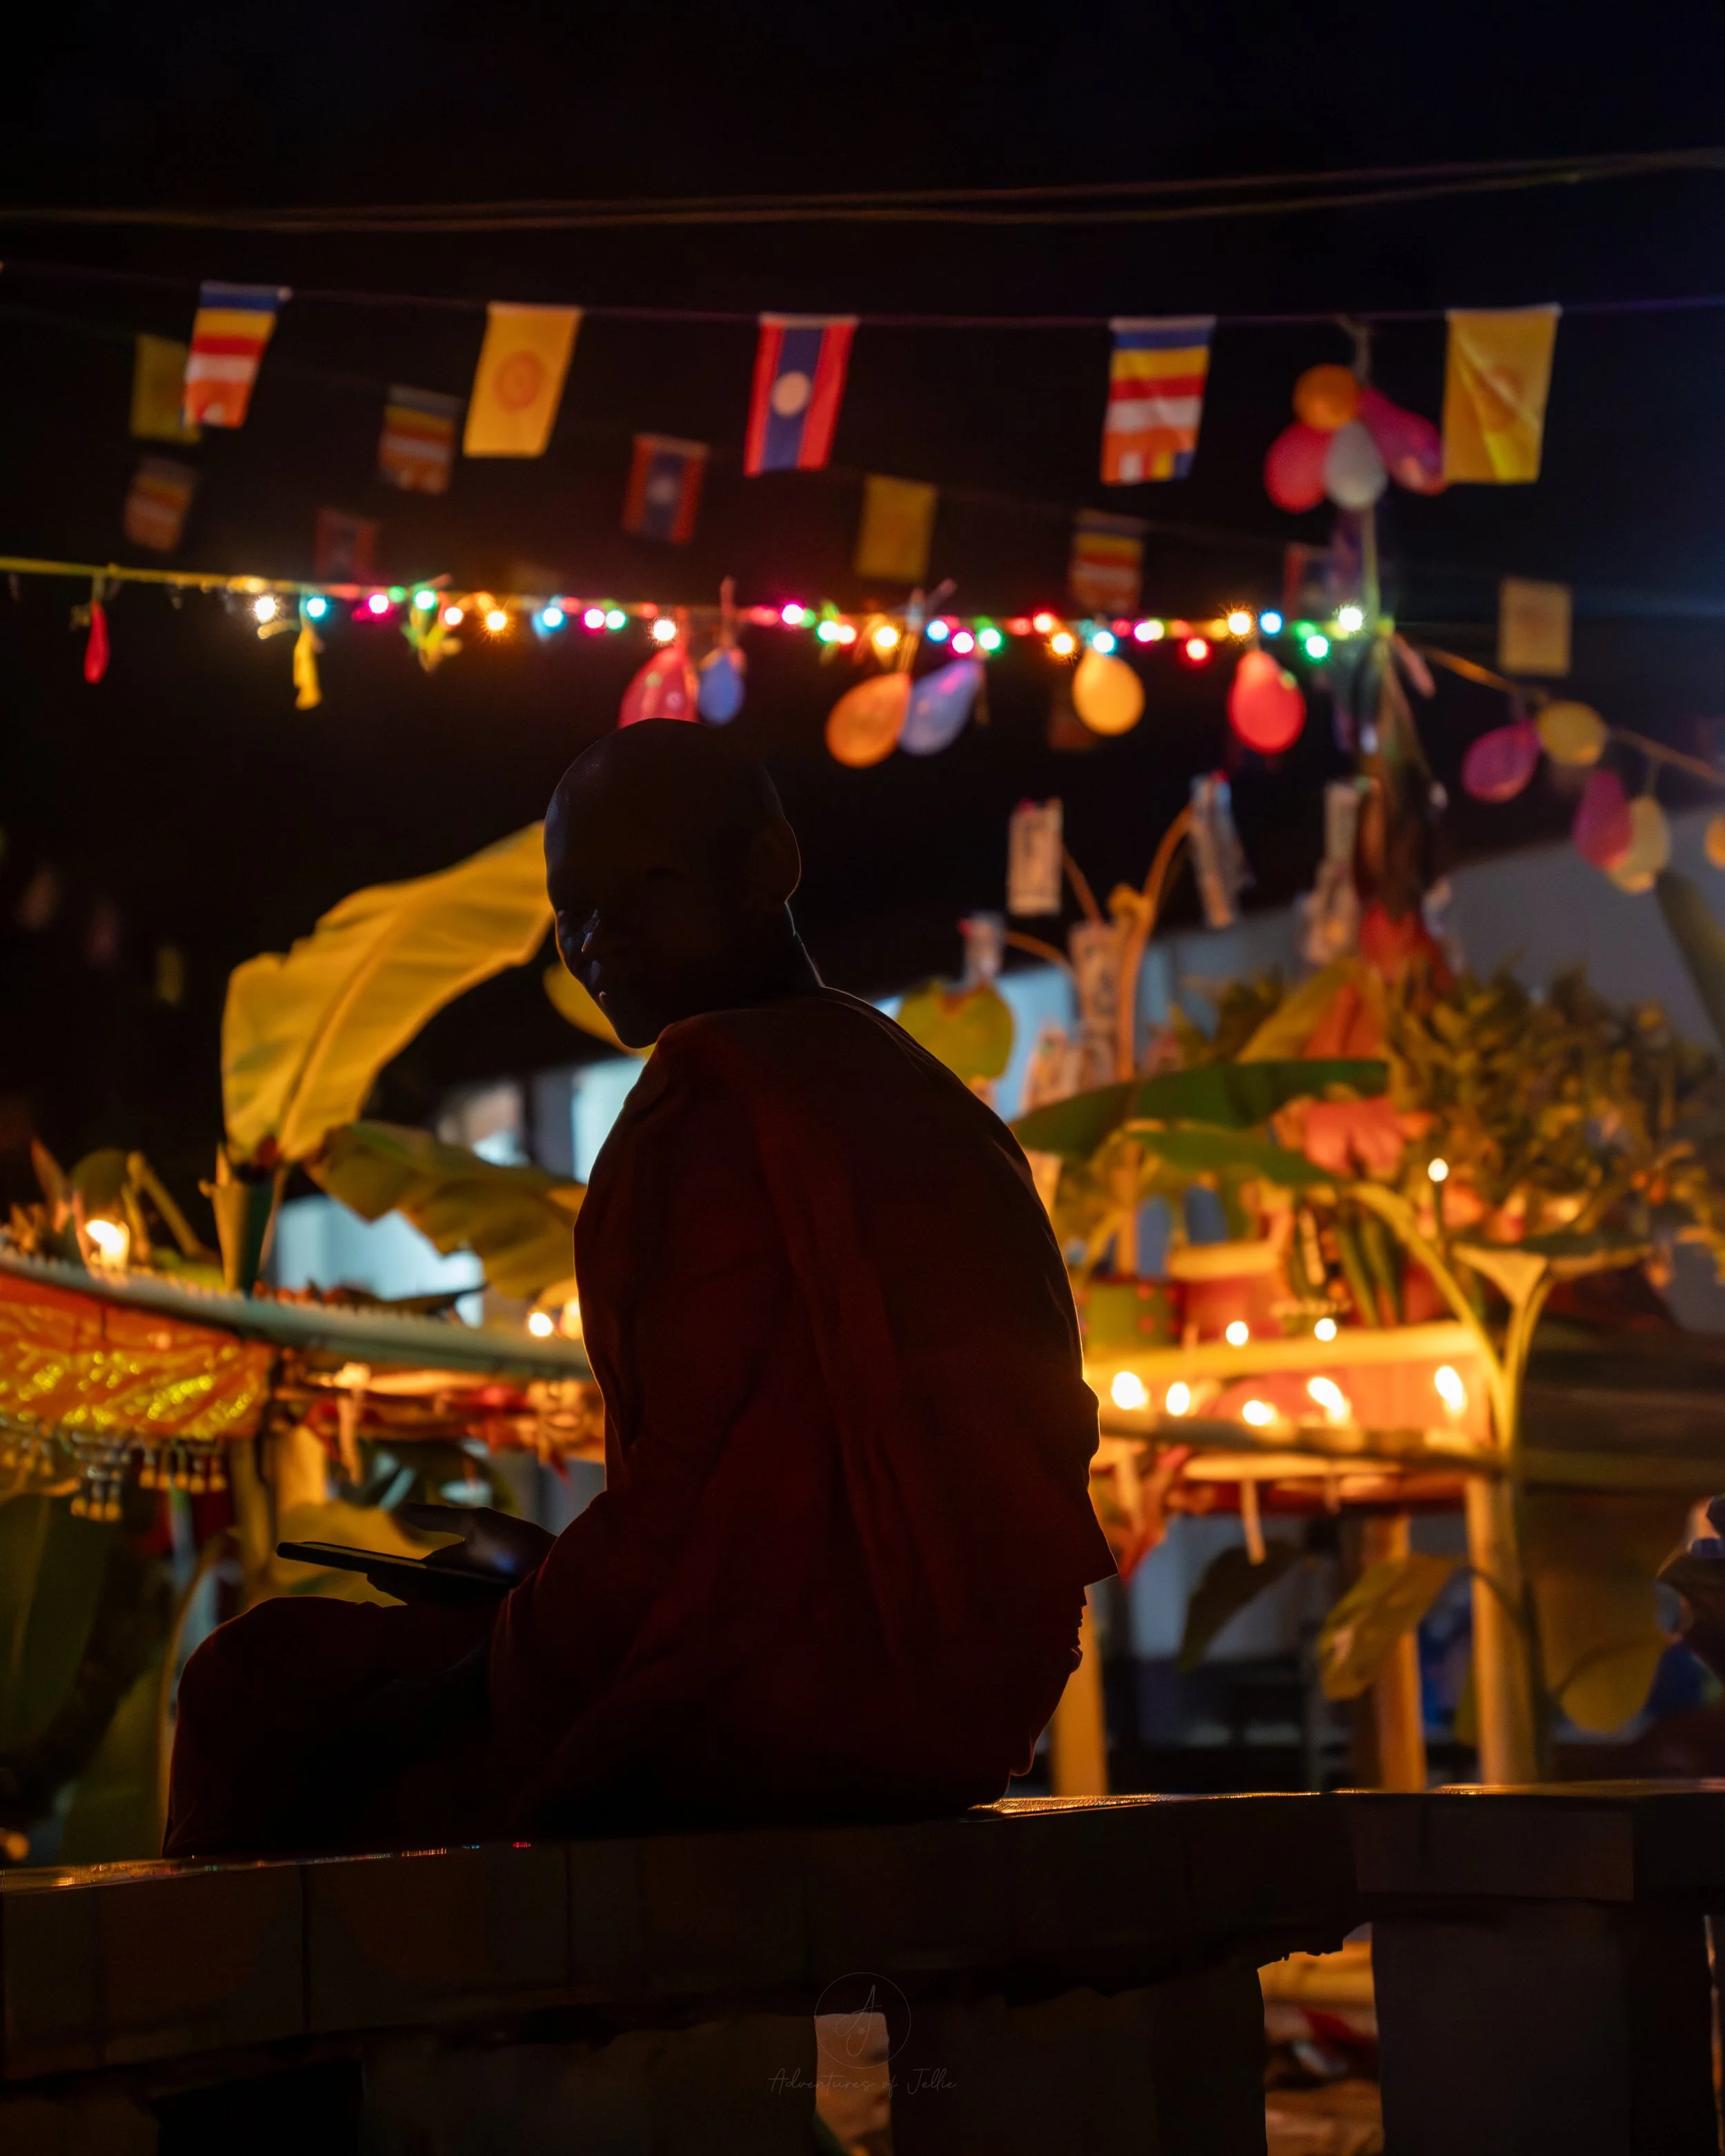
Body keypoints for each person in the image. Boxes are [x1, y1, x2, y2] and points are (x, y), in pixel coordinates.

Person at [165, 720, 1112, 1857]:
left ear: (770, 869)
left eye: (641, 889)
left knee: (254, 1686)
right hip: (975, 1697)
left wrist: (473, 1680)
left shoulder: (716, 1105)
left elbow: (693, 1528)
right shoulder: (921, 1094)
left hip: (788, 1705)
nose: (596, 939)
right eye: (572, 911)